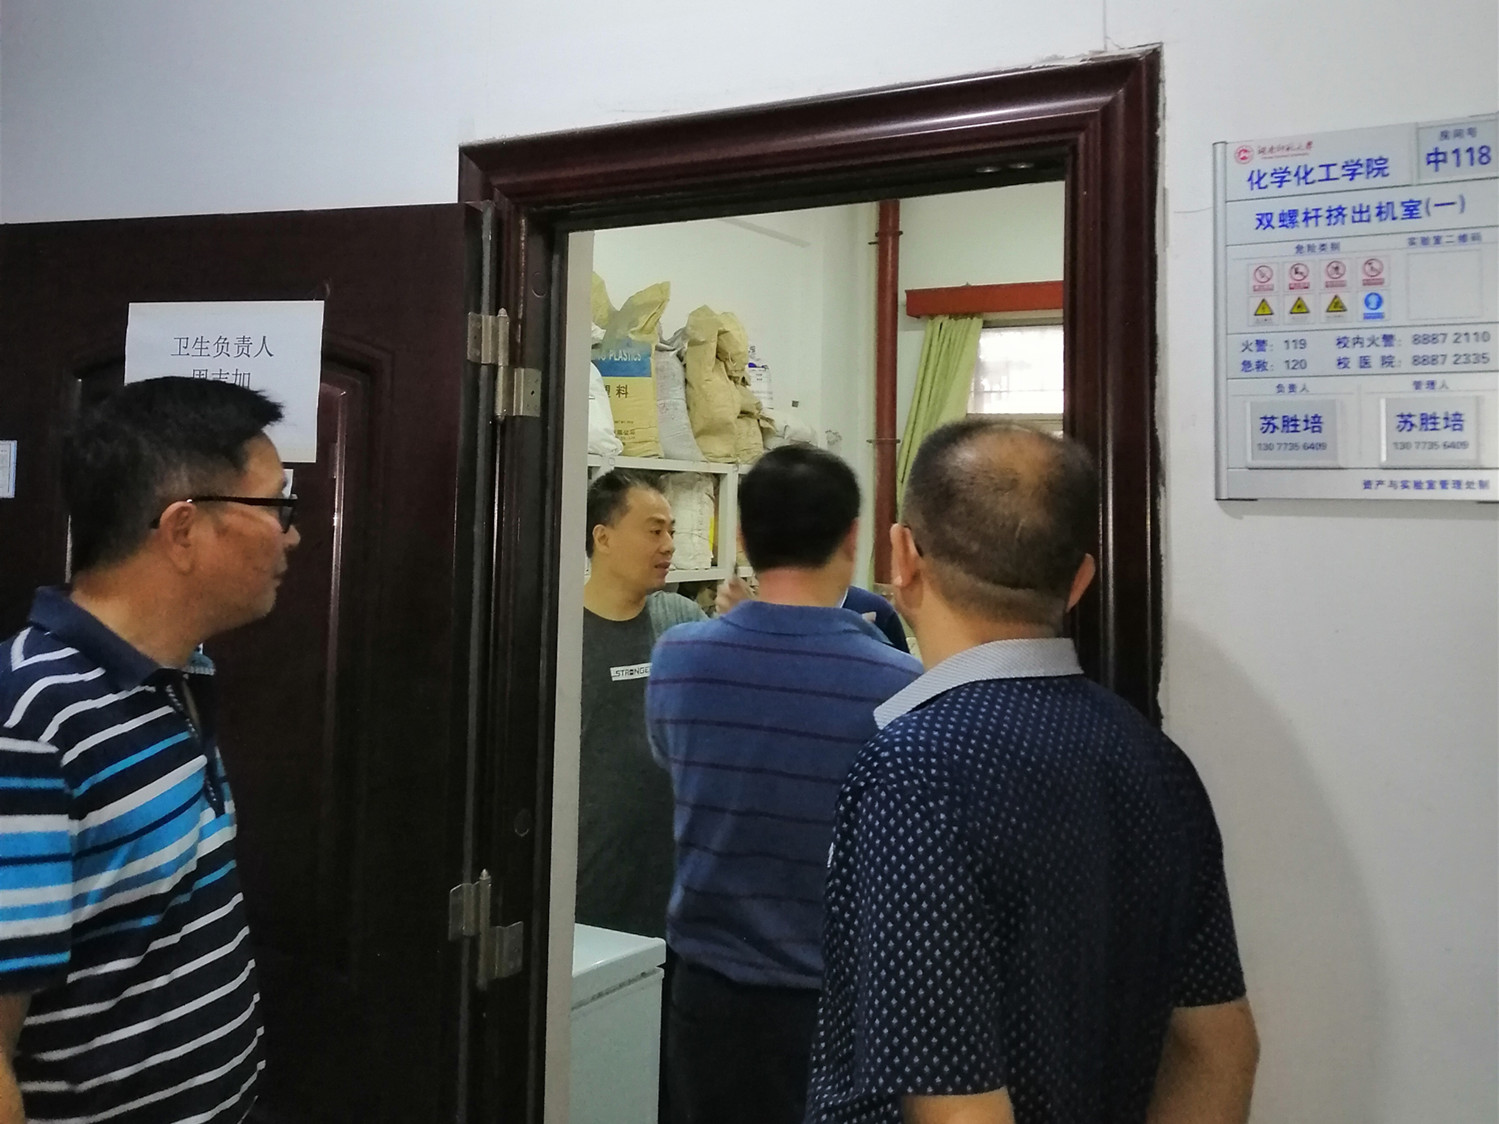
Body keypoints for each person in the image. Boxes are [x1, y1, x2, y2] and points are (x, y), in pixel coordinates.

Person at [807, 419, 1259, 1124]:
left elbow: (959, 1112)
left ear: (902, 557)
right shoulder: (1157, 762)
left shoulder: (913, 772)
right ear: (1080, 581)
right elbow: (1220, 1050)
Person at [0, 377, 301, 1124]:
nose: (291, 534)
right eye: (276, 505)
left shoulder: (179, 674)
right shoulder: (29, 723)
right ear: (184, 529)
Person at [647, 445, 921, 1124]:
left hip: (706, 993)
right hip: (845, 1000)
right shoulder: (902, 687)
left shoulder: (677, 658)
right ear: (852, 538)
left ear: (741, 538)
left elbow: (673, 763)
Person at [578, 469, 704, 937]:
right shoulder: (559, 631)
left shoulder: (683, 622)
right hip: (591, 879)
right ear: (603, 537)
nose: (669, 545)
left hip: (675, 878)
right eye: (654, 531)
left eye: (671, 531)